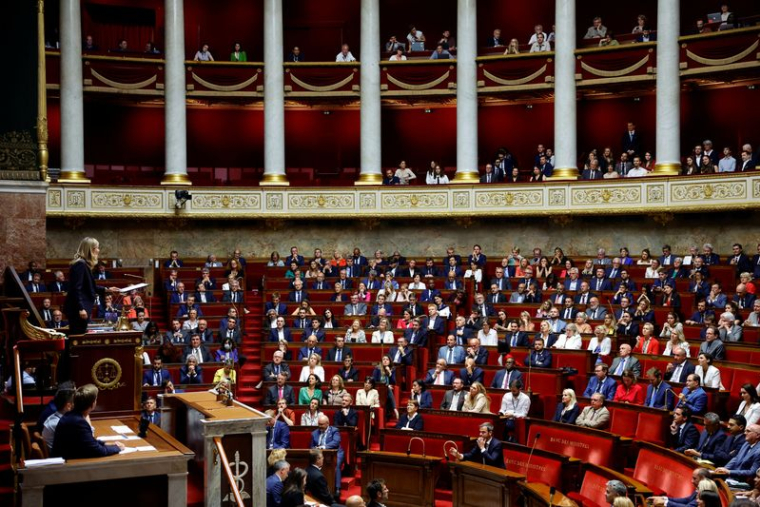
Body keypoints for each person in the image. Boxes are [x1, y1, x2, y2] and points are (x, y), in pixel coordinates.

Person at [64, 237, 120, 337]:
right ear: (91, 249)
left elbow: (90, 286)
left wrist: (107, 289)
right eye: (97, 248)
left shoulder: (84, 264)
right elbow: (76, 289)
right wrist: (81, 308)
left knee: (79, 337)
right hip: (78, 310)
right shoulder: (80, 265)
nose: (98, 250)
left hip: (80, 309)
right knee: (77, 338)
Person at [52, 384, 125, 458]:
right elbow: (98, 451)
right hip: (66, 464)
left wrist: (104, 443)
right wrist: (118, 448)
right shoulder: (78, 422)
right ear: (93, 404)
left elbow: (88, 440)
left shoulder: (72, 415)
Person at [310, 417, 344, 497]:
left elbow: (336, 442)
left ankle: (337, 488)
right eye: (319, 424)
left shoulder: (334, 430)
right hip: (319, 454)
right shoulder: (314, 433)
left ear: (327, 423)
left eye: (321, 424)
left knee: (336, 465)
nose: (320, 426)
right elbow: (311, 446)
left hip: (335, 453)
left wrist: (324, 447)